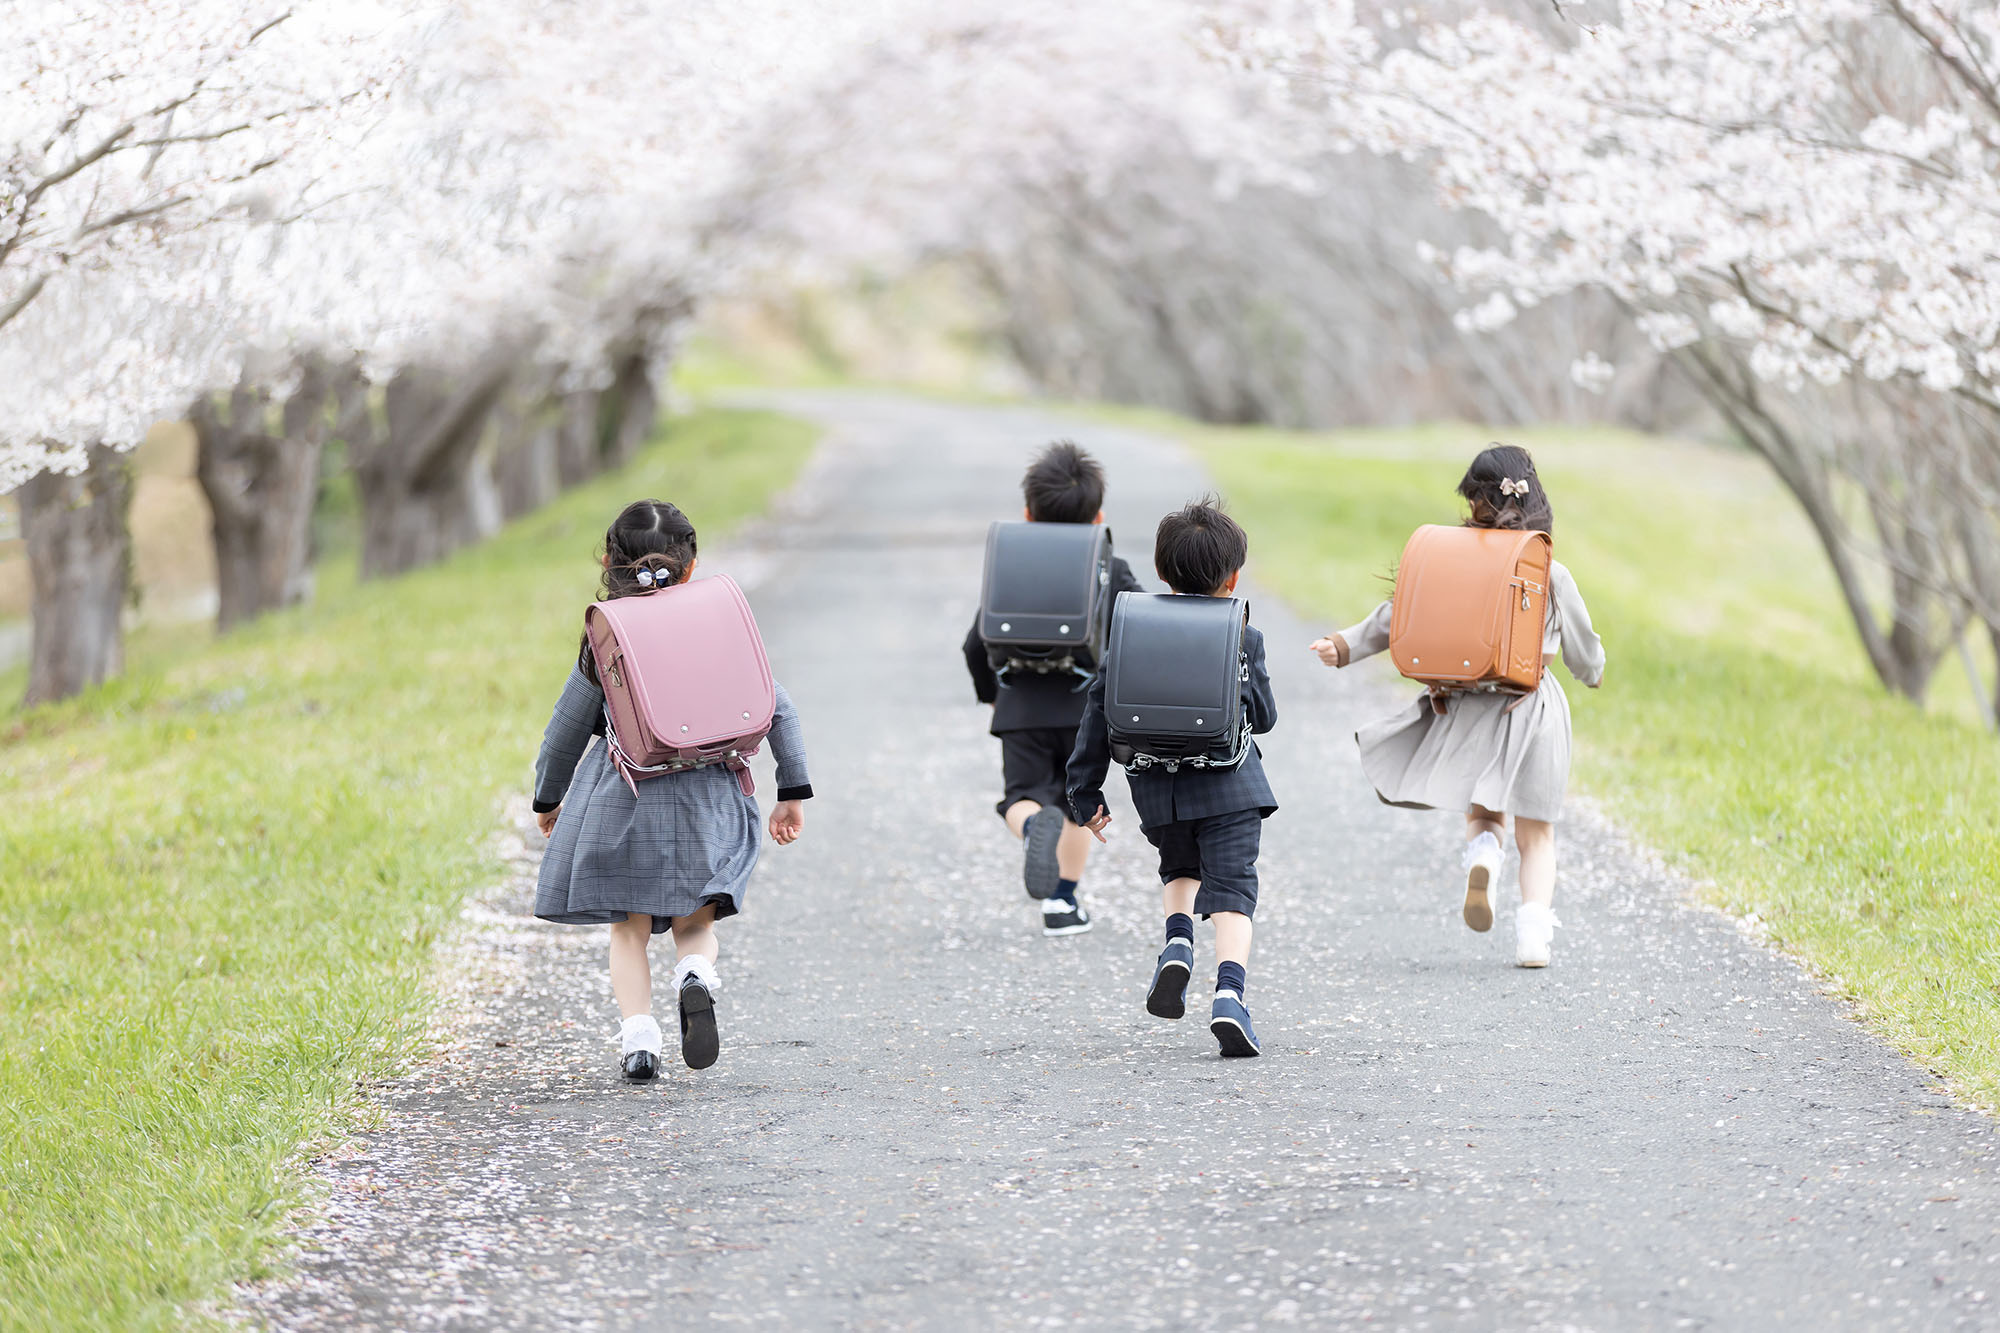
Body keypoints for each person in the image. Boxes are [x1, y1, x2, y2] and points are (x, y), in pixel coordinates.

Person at [531, 499, 812, 1079]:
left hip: (624, 802)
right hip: (709, 799)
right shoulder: (718, 622)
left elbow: (565, 733)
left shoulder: (606, 640)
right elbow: (776, 707)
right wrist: (792, 787)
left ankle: (640, 1040)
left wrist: (548, 797)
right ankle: (695, 975)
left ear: (610, 562)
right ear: (690, 565)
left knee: (628, 931)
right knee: (696, 925)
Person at [1310, 444, 1604, 968]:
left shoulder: (1452, 558)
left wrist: (1346, 644)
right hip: (1532, 708)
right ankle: (1534, 932)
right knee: (1537, 834)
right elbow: (1582, 648)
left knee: (1484, 812)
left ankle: (1484, 856)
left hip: (1470, 705)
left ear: (1475, 503)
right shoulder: (1549, 570)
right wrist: (1591, 671)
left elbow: (1398, 613)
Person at [1067, 499, 1279, 1057]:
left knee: (1179, 868)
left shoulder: (1130, 629)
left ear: (1161, 571)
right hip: (1232, 787)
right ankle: (1230, 997)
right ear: (1233, 578)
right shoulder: (1242, 633)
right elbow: (1265, 717)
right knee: (1233, 889)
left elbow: (1097, 708)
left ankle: (1177, 944)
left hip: (1157, 790)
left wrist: (1084, 790)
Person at [963, 441, 1145, 938]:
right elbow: (1139, 632)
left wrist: (992, 695)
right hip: (1087, 711)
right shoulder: (1112, 567)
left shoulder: (1011, 569)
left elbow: (974, 644)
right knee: (1076, 805)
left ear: (1027, 513)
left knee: (1023, 796)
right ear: (1098, 517)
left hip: (1019, 707)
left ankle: (1028, 828)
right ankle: (1063, 903)